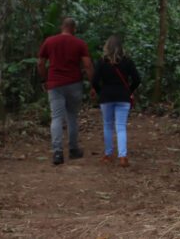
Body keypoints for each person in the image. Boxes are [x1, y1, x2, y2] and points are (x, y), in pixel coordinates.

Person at [38, 17, 93, 165]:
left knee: (56, 117)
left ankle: (57, 153)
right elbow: (87, 65)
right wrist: (93, 84)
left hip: (55, 84)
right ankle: (74, 149)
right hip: (74, 83)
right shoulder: (80, 43)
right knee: (72, 117)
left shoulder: (49, 41)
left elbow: (41, 63)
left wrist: (44, 80)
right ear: (73, 28)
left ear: (62, 27)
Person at [92, 35, 141, 168]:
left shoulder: (102, 62)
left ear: (107, 47)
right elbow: (137, 79)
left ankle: (108, 155)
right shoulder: (128, 61)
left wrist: (100, 91)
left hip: (106, 97)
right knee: (121, 126)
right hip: (123, 97)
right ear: (121, 47)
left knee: (107, 125)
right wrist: (130, 90)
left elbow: (94, 81)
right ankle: (123, 156)